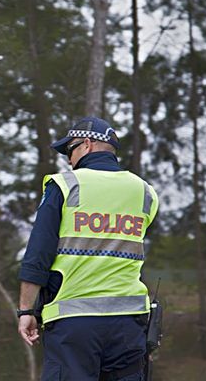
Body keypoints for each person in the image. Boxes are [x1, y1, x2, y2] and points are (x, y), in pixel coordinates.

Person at [17, 116, 159, 381]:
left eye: (70, 150)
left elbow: (38, 254)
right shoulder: (145, 192)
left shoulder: (64, 185)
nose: (68, 159)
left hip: (74, 321)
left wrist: (26, 310)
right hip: (129, 322)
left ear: (88, 144)